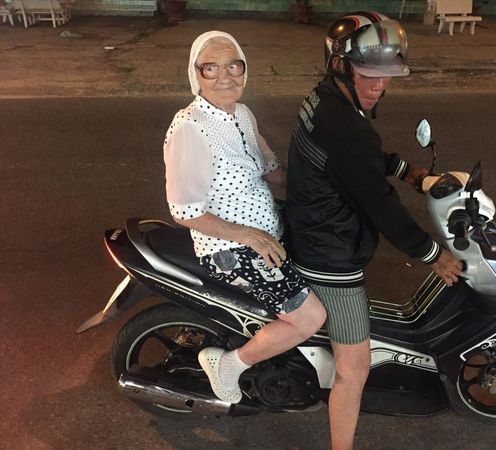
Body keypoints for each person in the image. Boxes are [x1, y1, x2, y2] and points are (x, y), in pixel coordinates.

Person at [285, 12, 464, 450]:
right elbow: (379, 203)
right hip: (328, 251)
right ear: (341, 66)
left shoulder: (327, 99)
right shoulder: (345, 124)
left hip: (314, 226)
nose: (379, 85)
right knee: (355, 368)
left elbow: (359, 161)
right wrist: (431, 254)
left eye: (386, 76)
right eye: (368, 74)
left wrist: (407, 171)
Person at [163, 31, 326, 404]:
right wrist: (248, 235)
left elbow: (270, 169)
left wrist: (325, 185)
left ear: (244, 70)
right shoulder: (190, 128)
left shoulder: (241, 113)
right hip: (229, 249)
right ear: (195, 74)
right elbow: (184, 211)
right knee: (310, 317)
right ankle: (230, 365)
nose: (225, 76)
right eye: (211, 68)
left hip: (267, 231)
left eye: (233, 66)